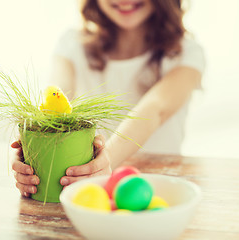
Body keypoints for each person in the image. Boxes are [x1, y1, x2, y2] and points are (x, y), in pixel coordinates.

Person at [12, 0, 205, 197]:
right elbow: (55, 102)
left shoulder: (186, 53)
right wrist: (32, 148)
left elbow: (156, 109)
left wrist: (105, 163)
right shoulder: (71, 44)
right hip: (88, 191)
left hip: (162, 190)